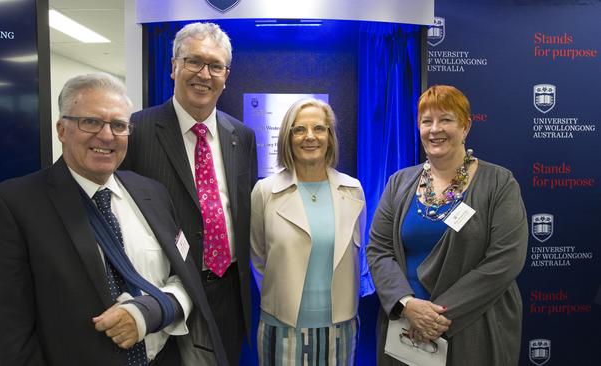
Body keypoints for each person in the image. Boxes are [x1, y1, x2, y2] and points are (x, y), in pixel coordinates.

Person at [0, 73, 227, 366]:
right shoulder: (13, 206)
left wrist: (153, 311)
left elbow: (186, 277)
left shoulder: (153, 194)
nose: (107, 135)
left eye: (119, 125)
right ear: (62, 130)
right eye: (91, 122)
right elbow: (11, 333)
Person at [121, 22, 257, 365]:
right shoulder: (136, 131)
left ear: (226, 76)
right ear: (173, 67)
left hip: (227, 292)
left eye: (215, 66)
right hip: (165, 290)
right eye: (194, 61)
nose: (204, 74)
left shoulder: (242, 136)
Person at [367, 85, 528, 365]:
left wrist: (436, 315)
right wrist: (407, 305)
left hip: (475, 327)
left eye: (446, 120)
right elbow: (379, 250)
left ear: (465, 126)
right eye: (426, 121)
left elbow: (506, 260)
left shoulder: (499, 183)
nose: (434, 129)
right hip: (406, 329)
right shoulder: (398, 183)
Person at [250, 98, 368, 365]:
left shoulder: (353, 190)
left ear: (330, 136)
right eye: (299, 129)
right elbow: (258, 258)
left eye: (319, 128)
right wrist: (282, 301)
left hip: (340, 329)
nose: (310, 137)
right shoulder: (265, 192)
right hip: (281, 328)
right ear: (287, 138)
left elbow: (355, 255)